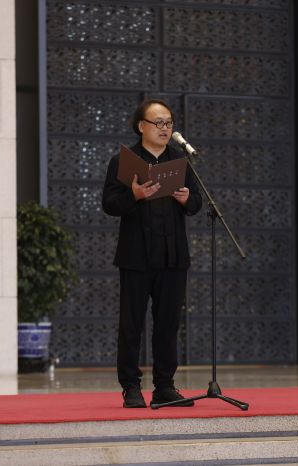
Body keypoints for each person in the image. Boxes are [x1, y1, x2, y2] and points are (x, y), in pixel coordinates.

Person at [102, 99, 203, 408]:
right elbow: (109, 204)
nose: (164, 128)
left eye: (168, 123)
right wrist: (133, 195)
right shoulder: (123, 162)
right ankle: (131, 387)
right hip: (136, 256)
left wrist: (186, 199)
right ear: (141, 126)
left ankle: (165, 386)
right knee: (131, 324)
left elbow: (197, 203)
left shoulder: (180, 160)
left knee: (168, 325)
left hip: (173, 256)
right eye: (158, 123)